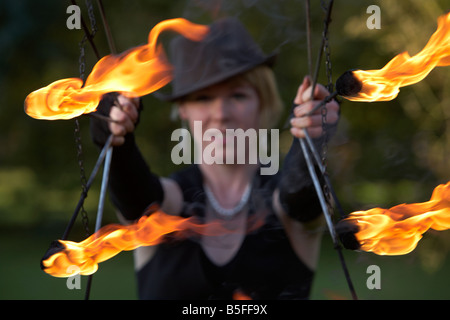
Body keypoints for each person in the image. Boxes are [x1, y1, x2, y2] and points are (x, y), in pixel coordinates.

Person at [90, 17, 339, 300]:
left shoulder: (284, 200)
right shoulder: (171, 200)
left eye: (238, 95)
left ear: (263, 102)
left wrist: (310, 140)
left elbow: (300, 200)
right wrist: (116, 141)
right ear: (183, 109)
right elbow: (135, 198)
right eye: (203, 98)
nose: (221, 114)